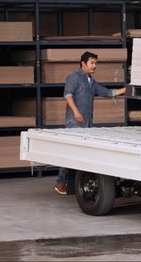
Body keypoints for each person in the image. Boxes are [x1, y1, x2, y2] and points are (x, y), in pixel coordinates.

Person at [54, 51, 126, 195]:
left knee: (81, 154)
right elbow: (67, 95)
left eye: (95, 64)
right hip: (74, 123)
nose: (94, 66)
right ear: (83, 63)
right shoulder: (73, 77)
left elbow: (107, 93)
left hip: (87, 124)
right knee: (69, 153)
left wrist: (127, 89)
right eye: (92, 63)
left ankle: (75, 184)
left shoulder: (91, 81)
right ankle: (60, 182)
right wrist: (75, 111)